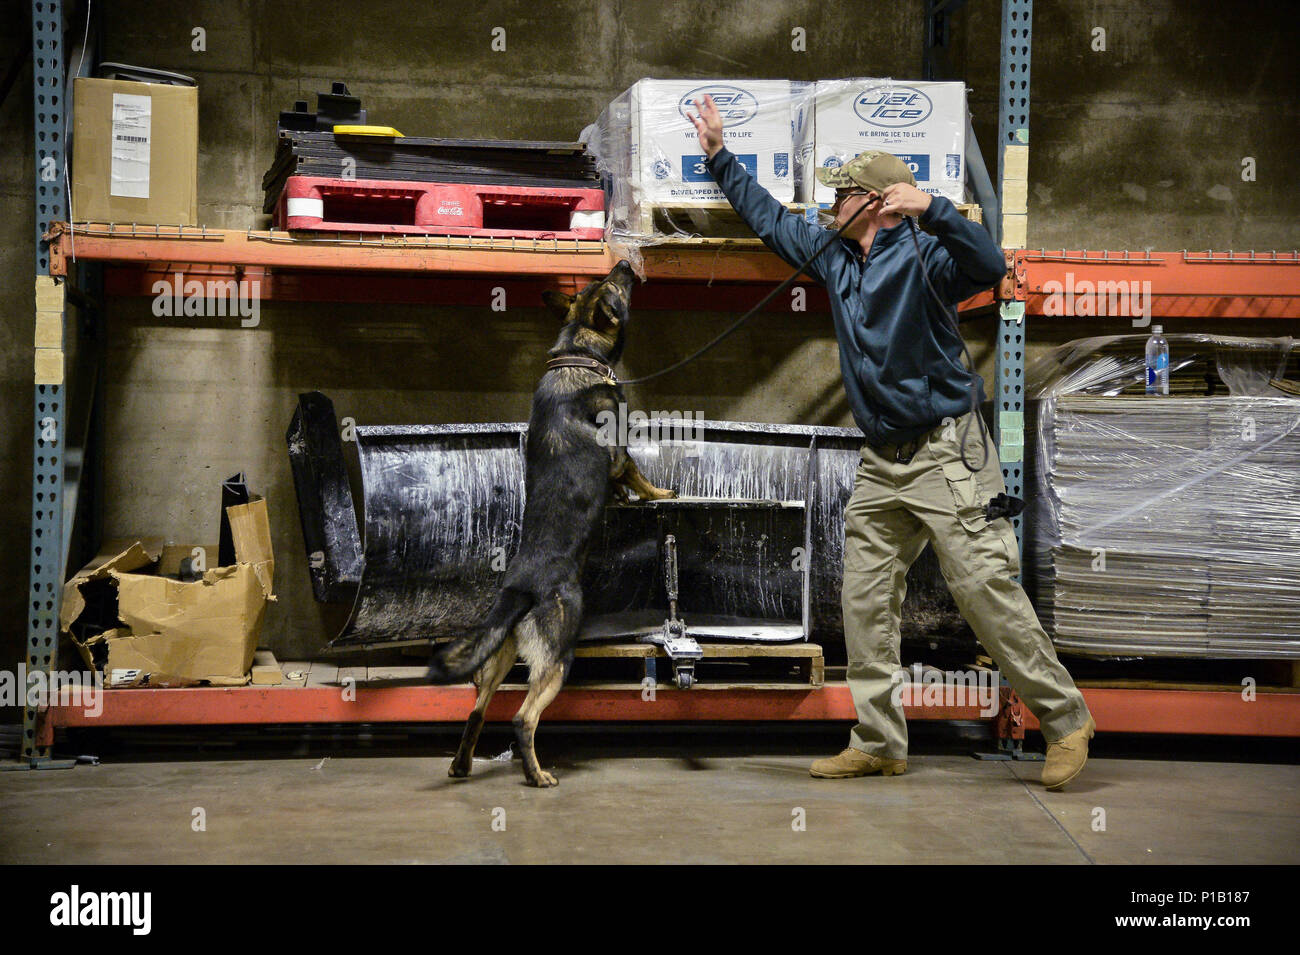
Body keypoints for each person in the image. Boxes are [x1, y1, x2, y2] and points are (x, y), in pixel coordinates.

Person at [688, 94, 1095, 790]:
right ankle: (879, 740)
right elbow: (769, 221)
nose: (826, 207)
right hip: (882, 462)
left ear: (873, 200)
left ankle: (1066, 720)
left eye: (839, 194)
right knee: (865, 599)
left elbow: (990, 262)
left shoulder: (929, 256)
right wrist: (721, 157)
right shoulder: (836, 261)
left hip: (946, 453)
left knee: (984, 590)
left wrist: (931, 206)